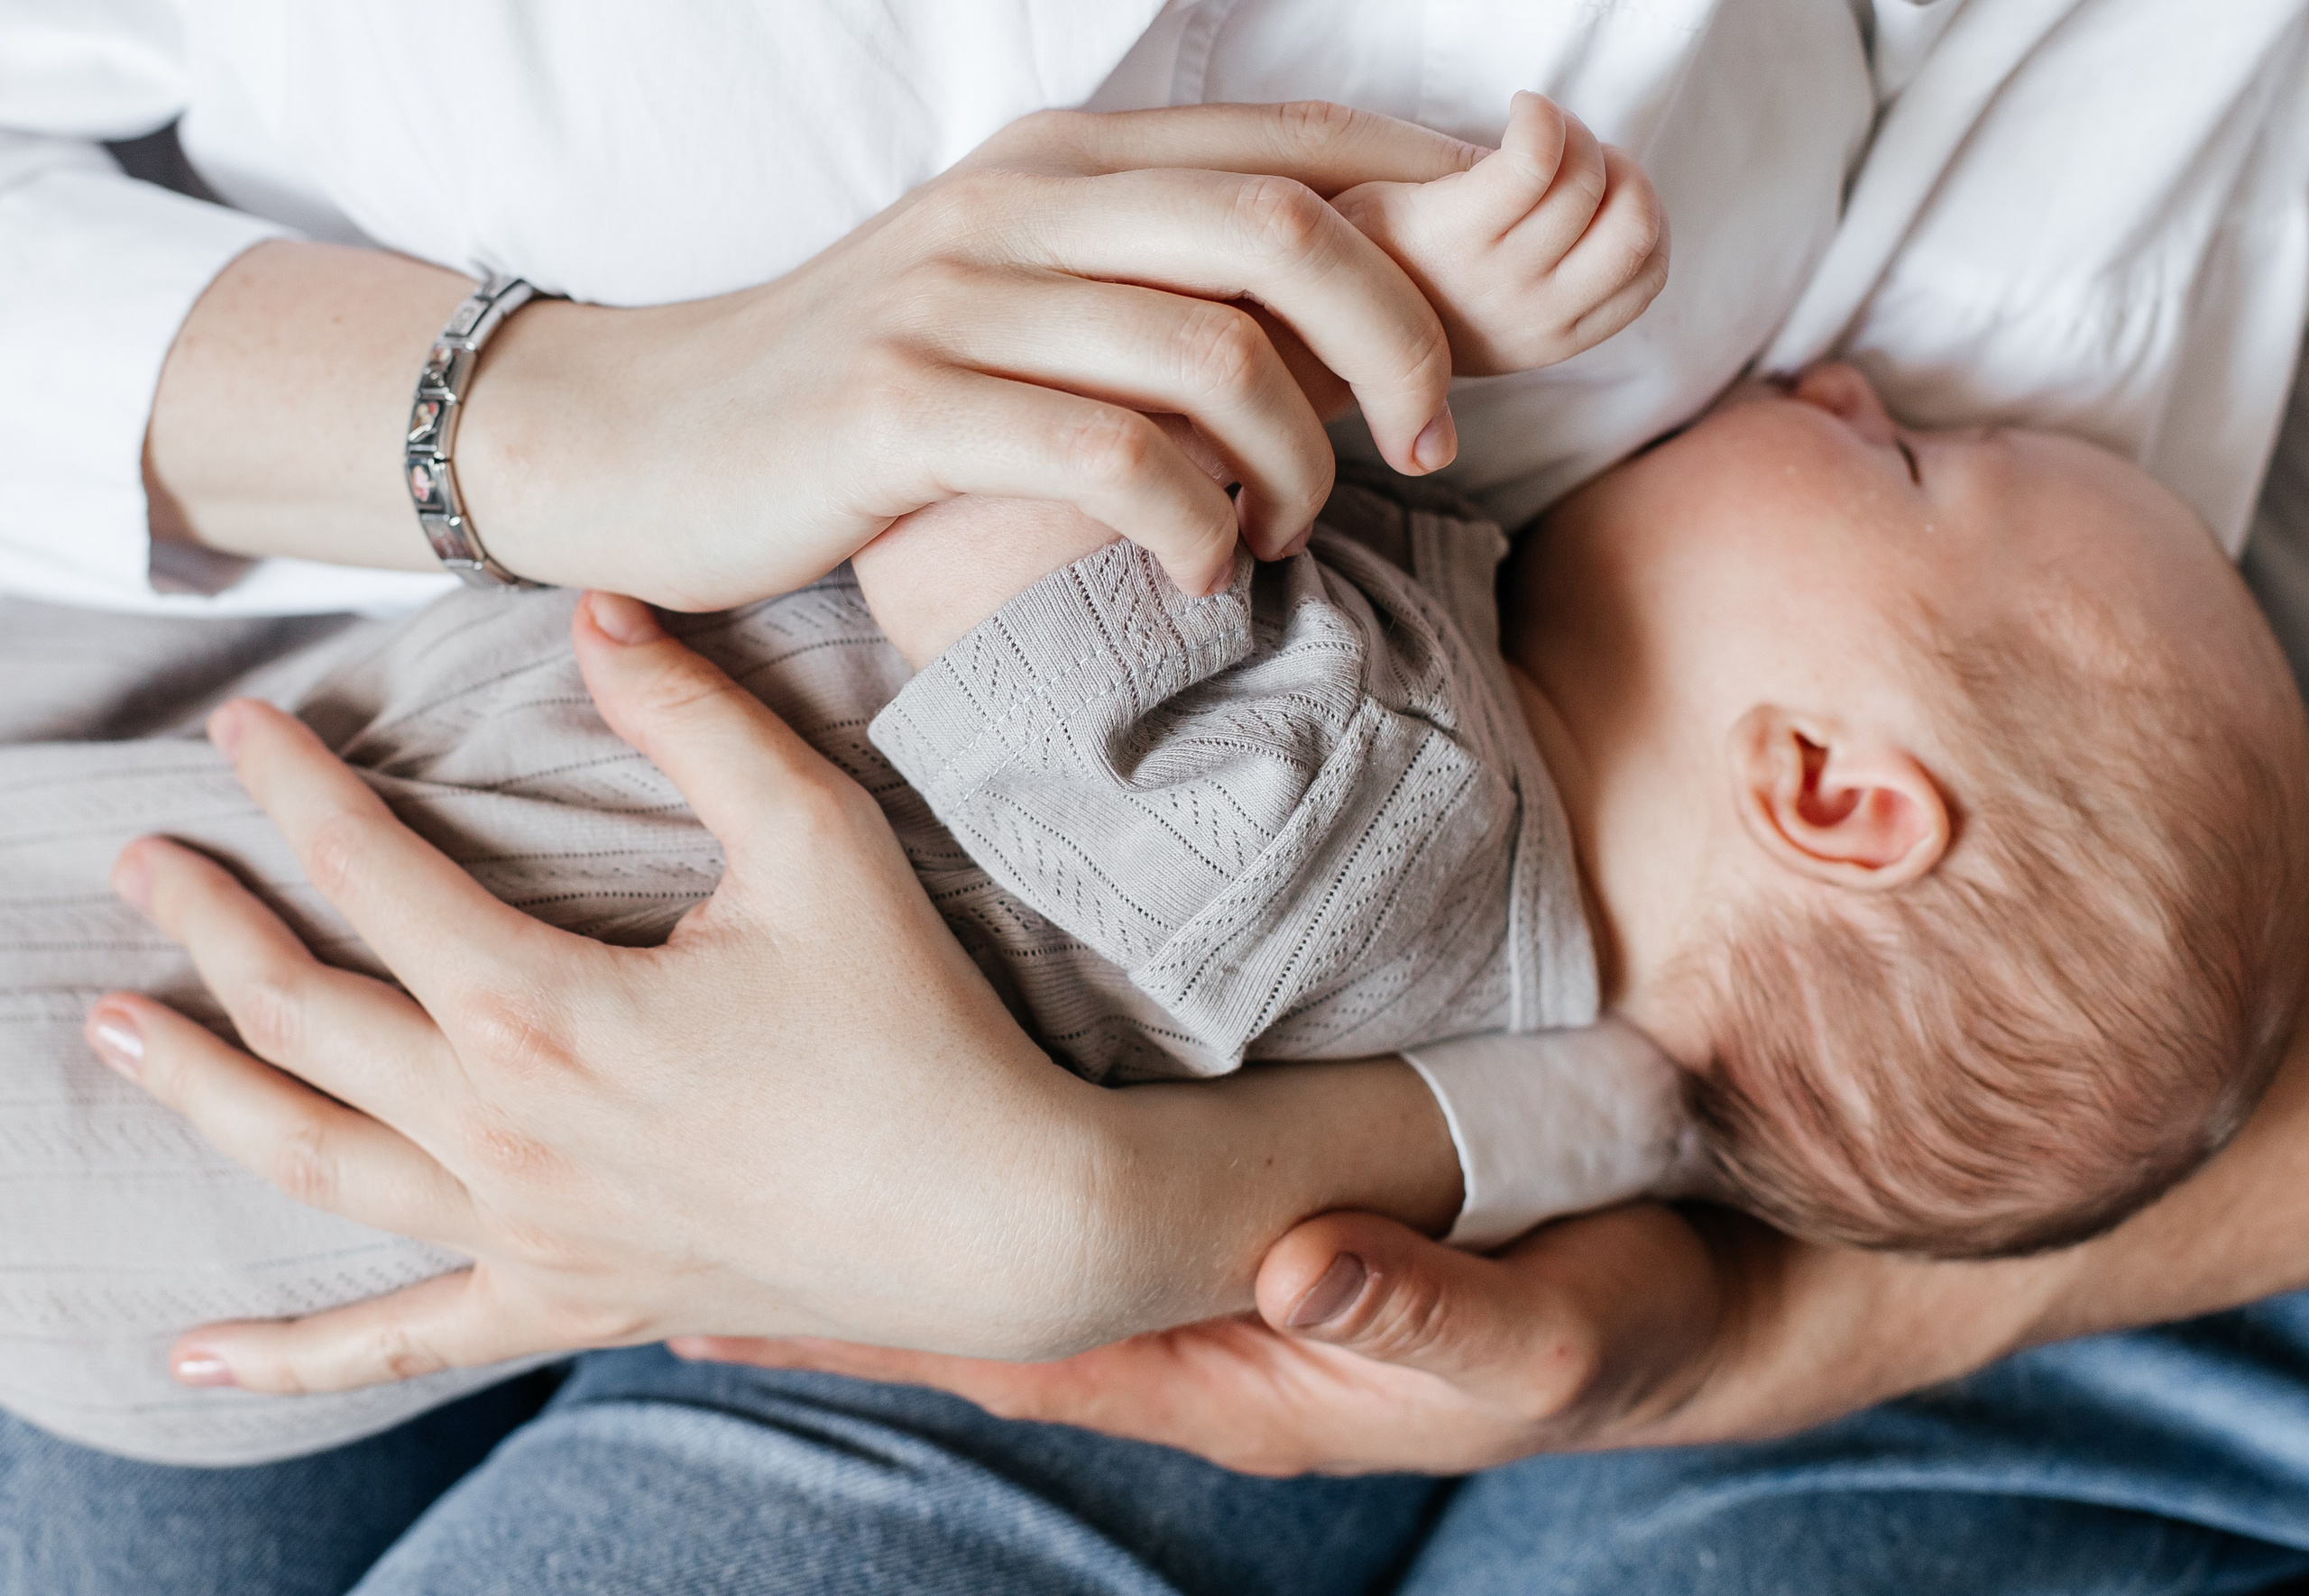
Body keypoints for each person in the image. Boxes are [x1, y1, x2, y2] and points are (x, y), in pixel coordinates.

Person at [9, 1, 2309, 1592]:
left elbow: (986, 517)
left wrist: (1348, 320)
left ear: (1822, 789)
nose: (1838, 386)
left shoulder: (1369, 813)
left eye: (1900, 457)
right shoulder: (1490, 946)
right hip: (333, 1136)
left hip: (181, 1035)